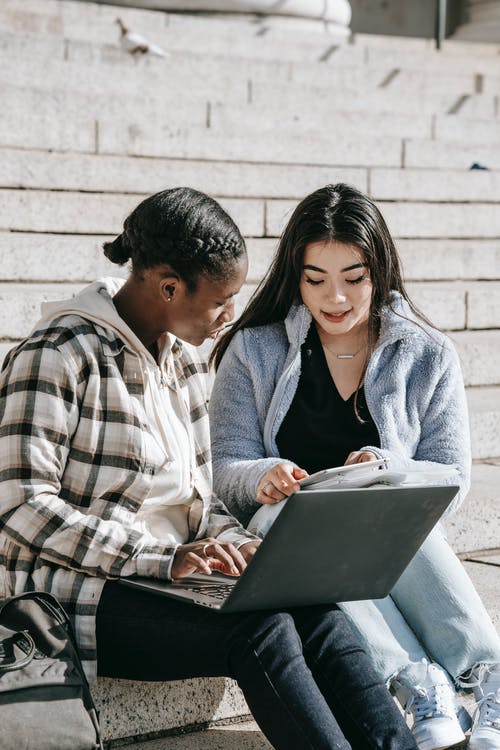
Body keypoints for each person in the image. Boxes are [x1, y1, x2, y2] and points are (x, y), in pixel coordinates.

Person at [0, 187, 418, 750]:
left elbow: (201, 501)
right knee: (262, 630)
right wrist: (164, 560)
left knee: (317, 611)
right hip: (79, 593)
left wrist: (239, 545)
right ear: (169, 287)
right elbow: (20, 506)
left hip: (175, 582)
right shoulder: (57, 355)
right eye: (221, 300)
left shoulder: (183, 362)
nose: (230, 316)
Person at [210, 183, 500, 750]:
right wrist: (262, 474)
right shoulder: (254, 350)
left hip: (388, 526)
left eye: (354, 277)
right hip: (291, 524)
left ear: (380, 271)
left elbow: (450, 475)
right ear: (294, 276)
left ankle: (489, 677)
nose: (335, 297)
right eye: (316, 279)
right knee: (291, 525)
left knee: (392, 504)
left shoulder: (427, 353)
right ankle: (419, 682)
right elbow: (226, 465)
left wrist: (386, 465)